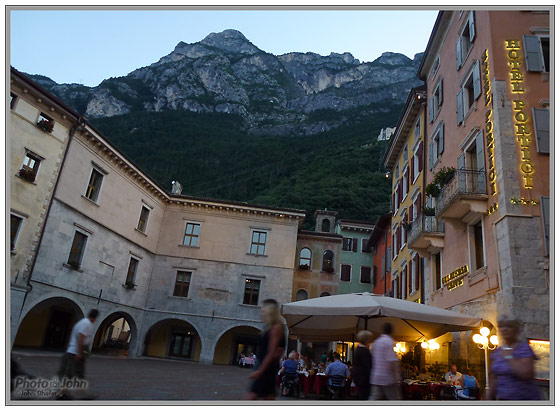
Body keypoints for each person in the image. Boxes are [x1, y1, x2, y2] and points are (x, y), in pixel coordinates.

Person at [487, 314, 541, 400]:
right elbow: (494, 378)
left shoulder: (524, 349)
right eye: (501, 326)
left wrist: (509, 356)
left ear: (516, 329)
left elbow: (526, 374)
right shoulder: (497, 352)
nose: (504, 329)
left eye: (509, 326)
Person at [246, 299, 286, 400]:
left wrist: (260, 371)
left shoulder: (275, 328)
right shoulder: (271, 327)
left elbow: (271, 353)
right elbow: (279, 350)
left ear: (269, 312)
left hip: (266, 368)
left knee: (252, 397)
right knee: (268, 397)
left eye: (263, 311)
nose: (261, 313)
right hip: (268, 367)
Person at [57, 309, 99, 380]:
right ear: (94, 318)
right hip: (75, 352)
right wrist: (79, 353)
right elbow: (80, 338)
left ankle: (64, 388)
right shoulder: (86, 323)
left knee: (72, 372)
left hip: (73, 351)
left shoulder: (82, 322)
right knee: (71, 372)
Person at [369, 323, 402, 400]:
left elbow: (373, 356)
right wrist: (396, 377)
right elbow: (392, 361)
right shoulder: (389, 342)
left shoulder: (376, 342)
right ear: (391, 331)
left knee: (374, 399)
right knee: (394, 399)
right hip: (388, 378)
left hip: (376, 376)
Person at [352, 330, 373, 400]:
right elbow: (368, 366)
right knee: (364, 397)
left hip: (358, 378)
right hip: (364, 379)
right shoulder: (364, 351)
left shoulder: (357, 349)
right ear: (366, 339)